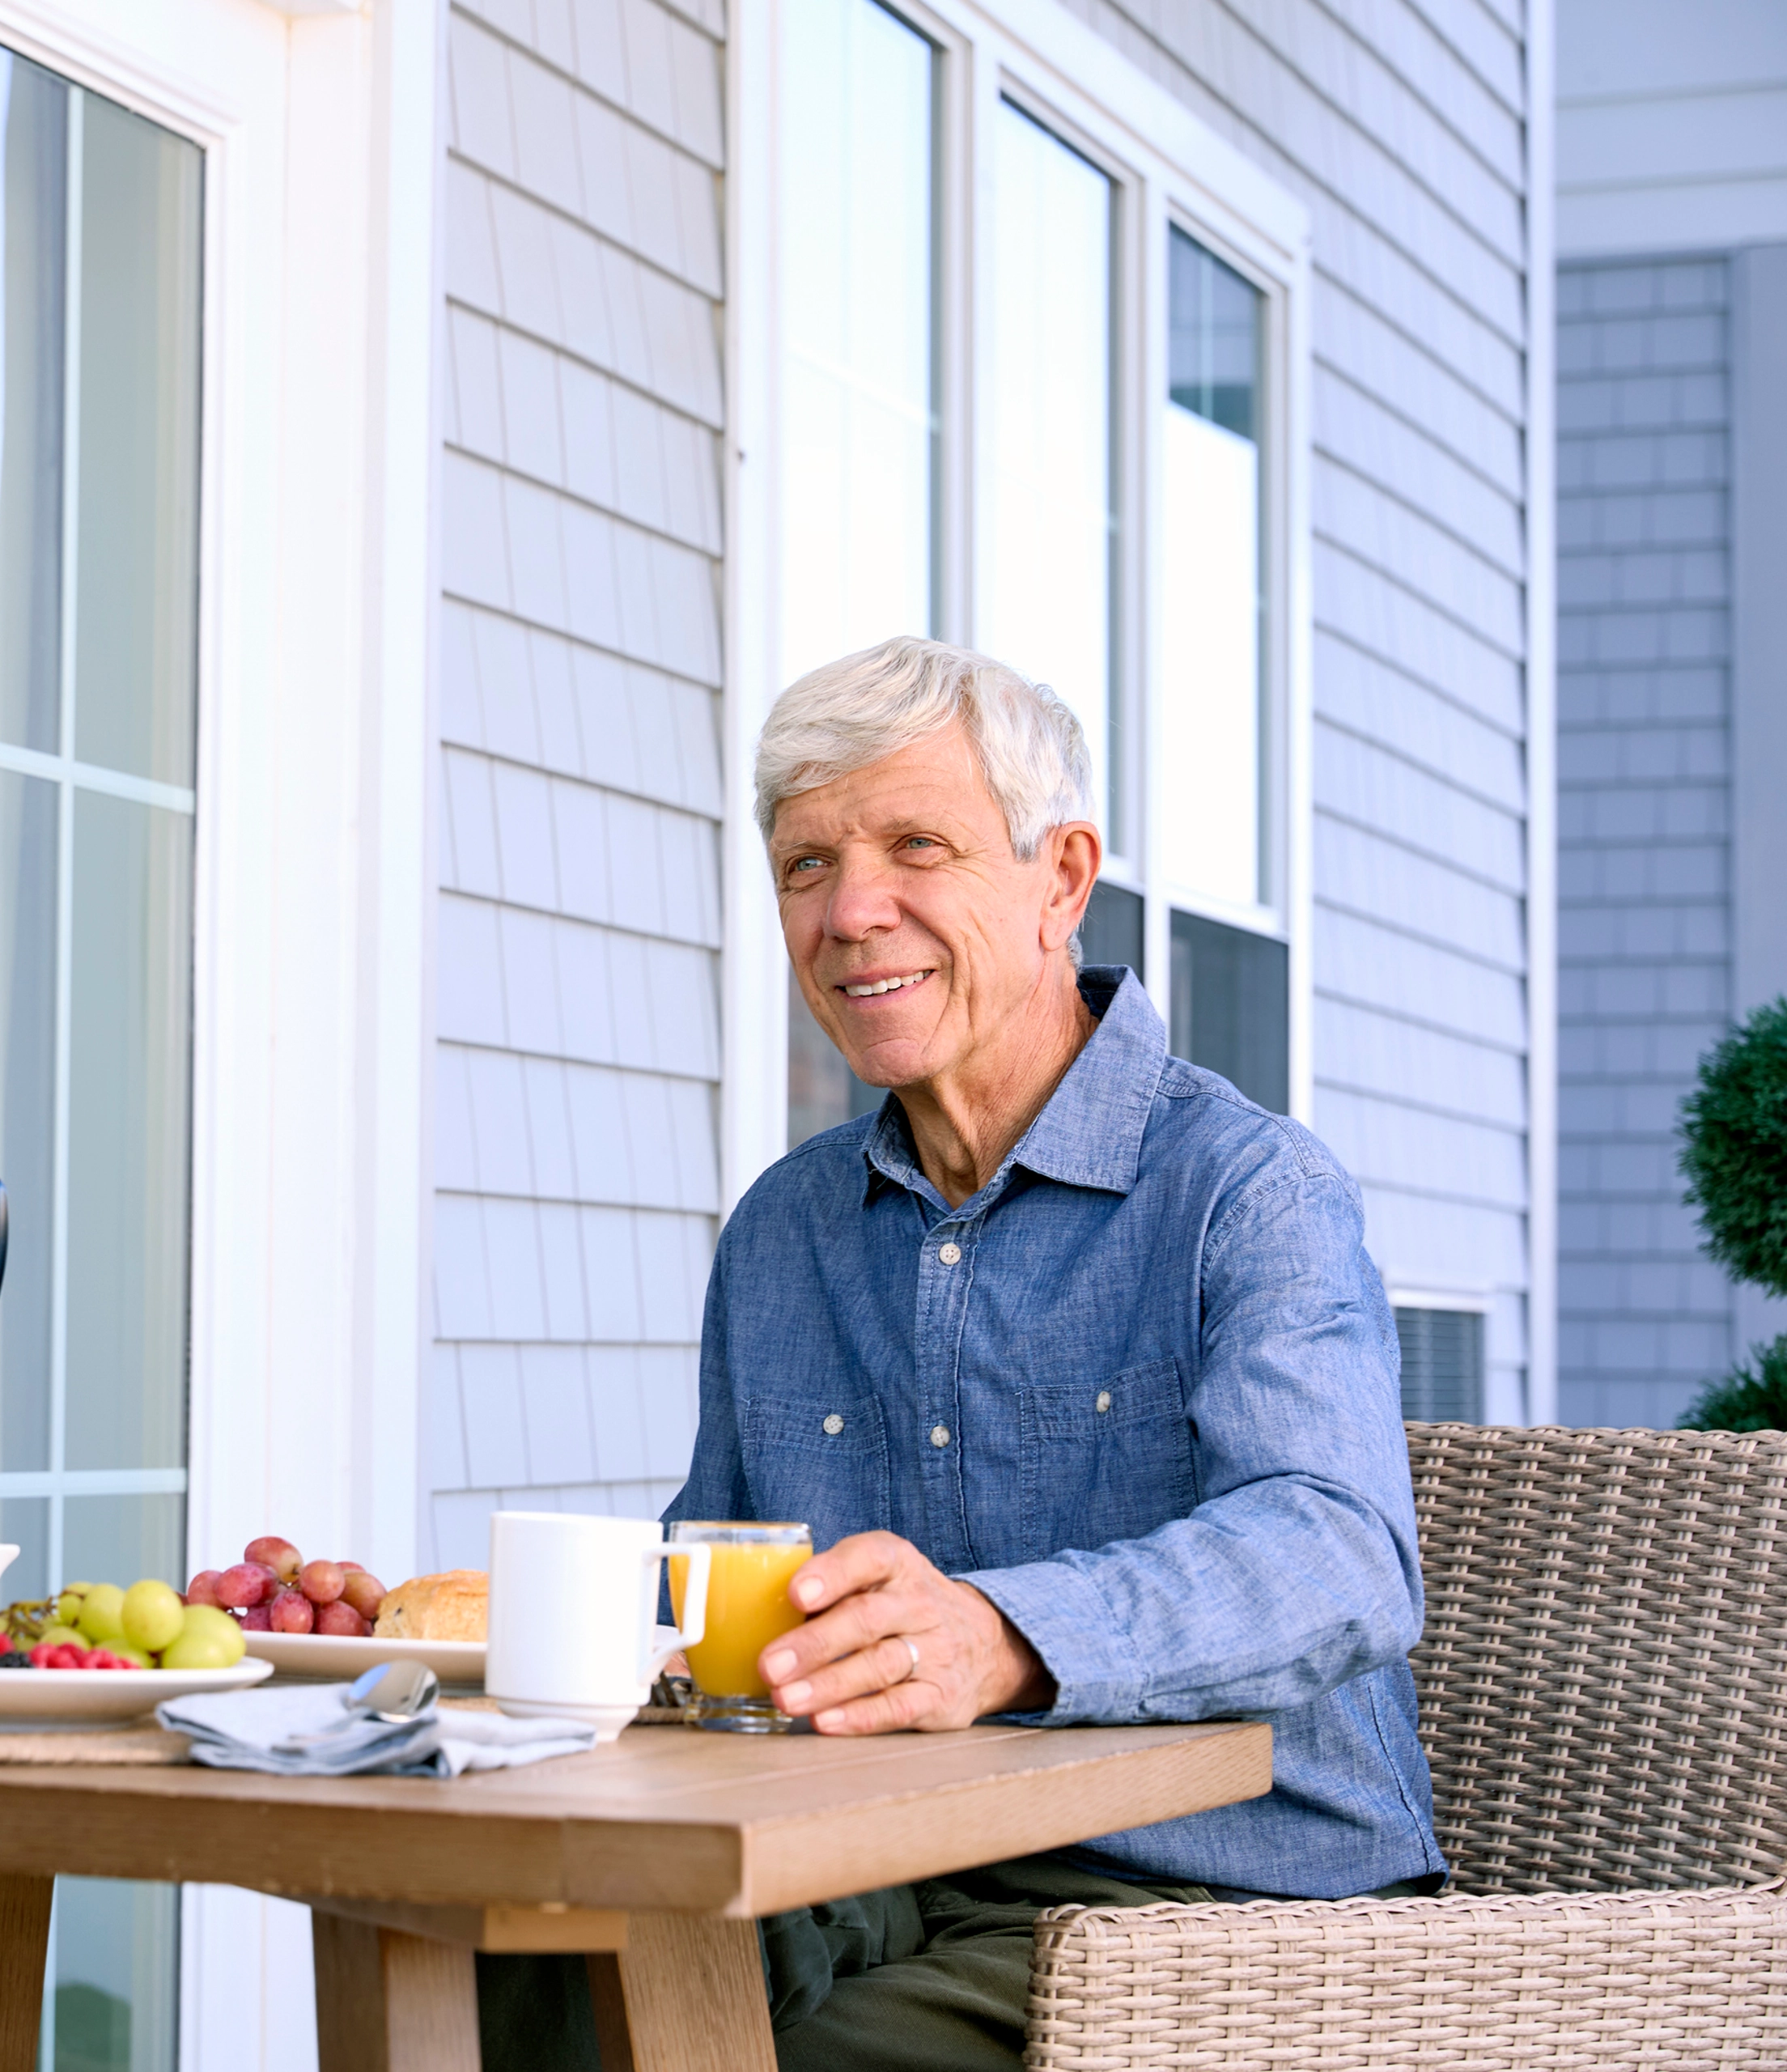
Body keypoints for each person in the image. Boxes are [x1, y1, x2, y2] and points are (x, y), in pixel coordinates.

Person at [489, 635, 1441, 2072]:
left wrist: (1004, 1635)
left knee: (797, 2058)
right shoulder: (786, 1231)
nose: (850, 912)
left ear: (1062, 880)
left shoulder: (1248, 1191)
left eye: (915, 847)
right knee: (538, 1961)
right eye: (807, 865)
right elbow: (713, 1599)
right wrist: (483, 1646)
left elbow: (1340, 1555)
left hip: (1212, 1894)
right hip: (867, 1854)